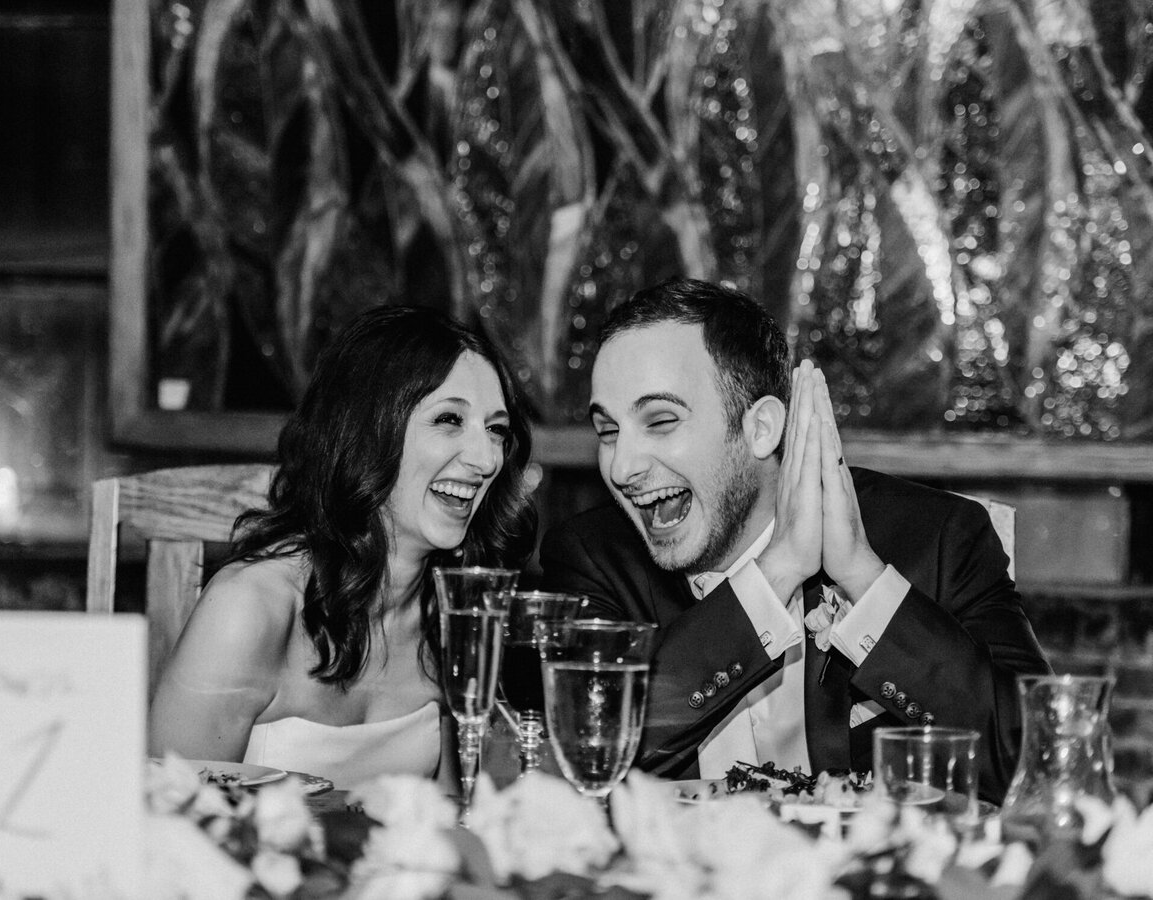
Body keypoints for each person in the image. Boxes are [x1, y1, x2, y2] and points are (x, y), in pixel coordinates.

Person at [539, 277, 1050, 804]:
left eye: (661, 421)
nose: (623, 466)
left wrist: (862, 577)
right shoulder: (591, 557)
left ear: (761, 428)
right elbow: (588, 753)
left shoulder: (937, 539)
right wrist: (776, 572)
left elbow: (1035, 761)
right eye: (607, 432)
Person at [149, 306, 536, 790]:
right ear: (367, 430)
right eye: (449, 419)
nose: (485, 459)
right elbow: (165, 820)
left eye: (496, 429)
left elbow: (450, 823)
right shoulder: (250, 607)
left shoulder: (455, 613)